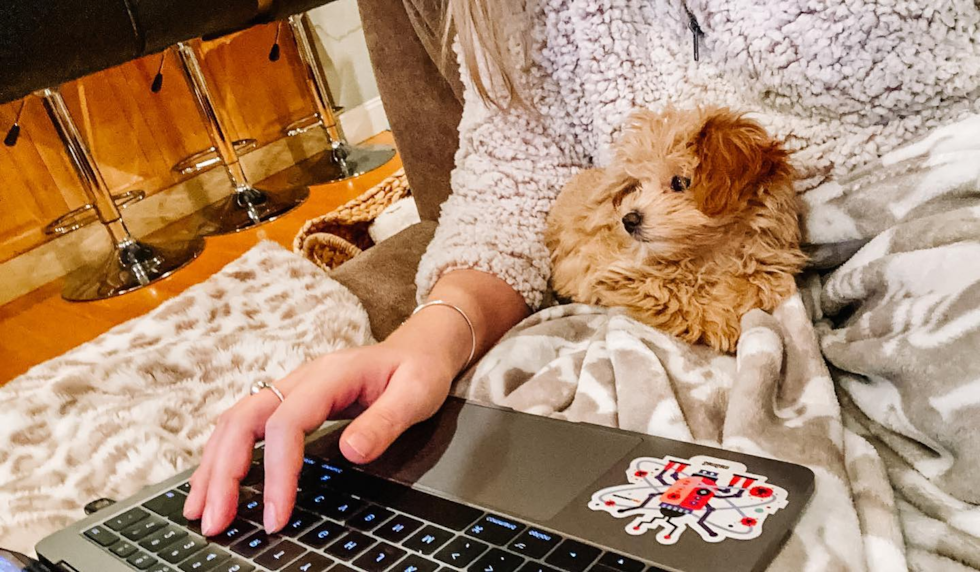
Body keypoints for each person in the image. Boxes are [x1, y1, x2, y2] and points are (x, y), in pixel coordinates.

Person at [183, 0, 980, 537]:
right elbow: (516, 171)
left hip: (927, 224)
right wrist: (435, 333)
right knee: (483, 491)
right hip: (649, 309)